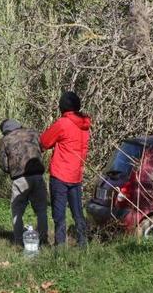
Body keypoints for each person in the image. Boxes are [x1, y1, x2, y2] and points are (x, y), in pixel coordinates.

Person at [40, 91, 92, 247]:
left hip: (60, 174)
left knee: (59, 213)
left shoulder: (63, 123)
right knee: (77, 213)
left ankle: (60, 247)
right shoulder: (85, 124)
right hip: (76, 175)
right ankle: (83, 244)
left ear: (62, 107)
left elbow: (44, 142)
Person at [0, 118, 48, 247]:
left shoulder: (5, 140)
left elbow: (4, 165)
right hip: (38, 175)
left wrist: (11, 170)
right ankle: (43, 240)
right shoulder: (33, 133)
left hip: (20, 179)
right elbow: (41, 148)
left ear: (5, 130)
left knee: (17, 211)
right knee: (41, 210)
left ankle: (19, 242)